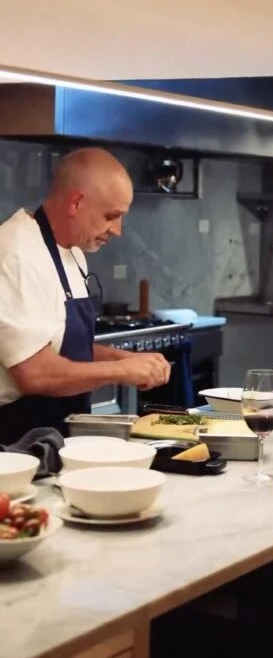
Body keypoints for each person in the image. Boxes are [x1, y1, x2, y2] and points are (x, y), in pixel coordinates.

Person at [0, 147, 171, 444]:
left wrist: (127, 358)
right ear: (76, 202)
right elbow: (34, 373)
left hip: (57, 432)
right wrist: (120, 370)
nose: (117, 230)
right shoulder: (16, 253)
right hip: (14, 440)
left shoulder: (73, 253)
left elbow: (64, 347)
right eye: (111, 216)